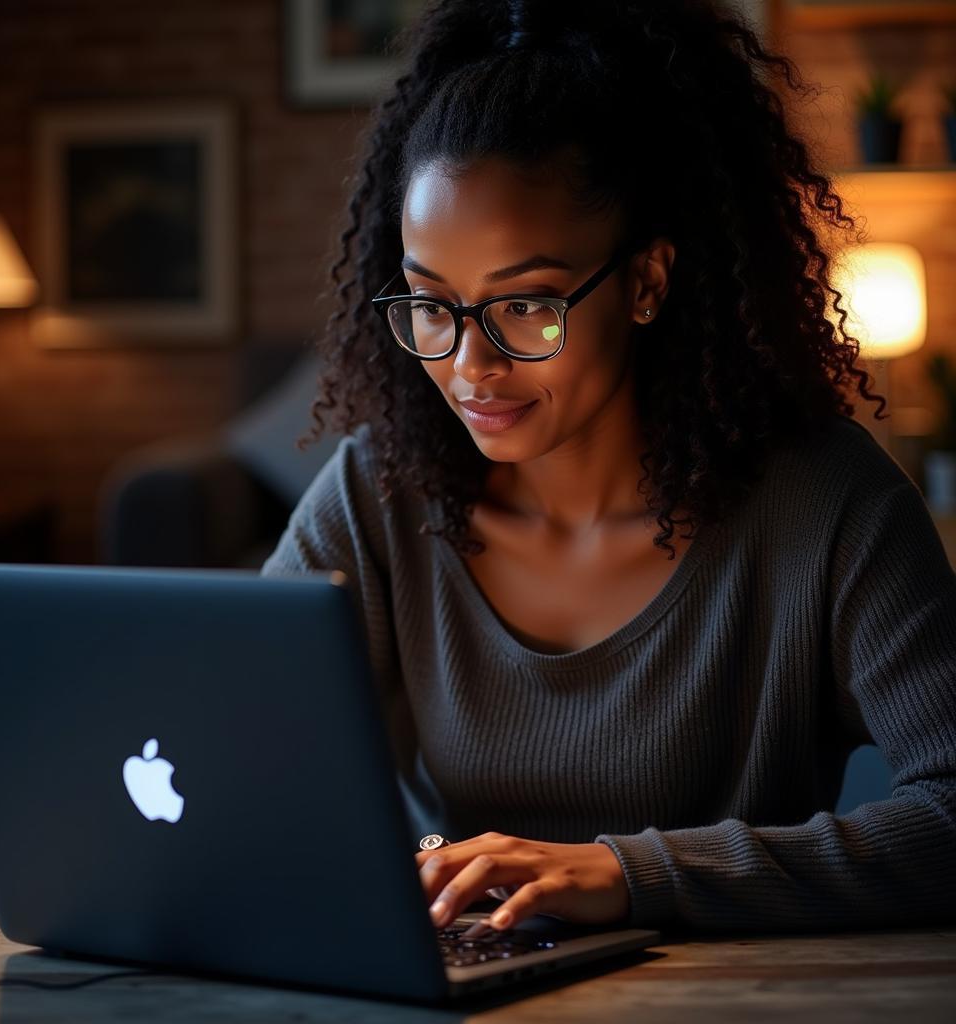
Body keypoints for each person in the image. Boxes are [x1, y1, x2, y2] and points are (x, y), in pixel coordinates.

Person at [262, 0, 956, 936]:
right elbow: (241, 763)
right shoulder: (378, 490)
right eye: (431, 304)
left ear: (647, 283)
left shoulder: (828, 504)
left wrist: (633, 875)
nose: (469, 366)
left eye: (524, 306)